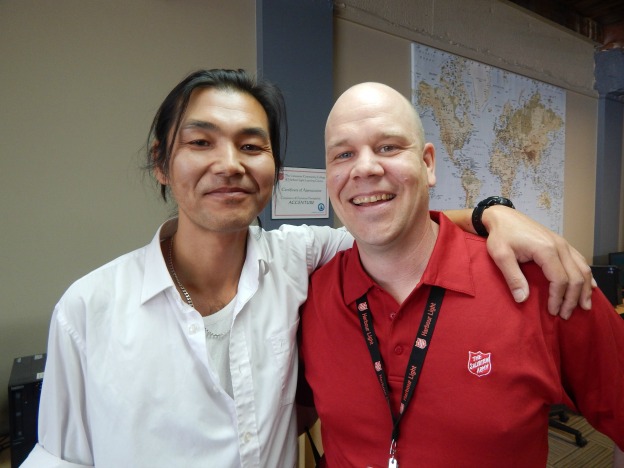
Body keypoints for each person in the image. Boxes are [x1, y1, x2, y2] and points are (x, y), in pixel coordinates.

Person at [22, 69, 594, 467]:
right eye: (201, 141)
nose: (229, 165)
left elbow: (392, 219)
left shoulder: (299, 259)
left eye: (252, 146)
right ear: (161, 164)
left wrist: (494, 213)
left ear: (273, 165)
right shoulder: (88, 309)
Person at [298, 82, 624, 467]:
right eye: (344, 153)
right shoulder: (313, 295)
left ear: (428, 164)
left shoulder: (541, 283)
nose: (365, 167)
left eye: (388, 147)